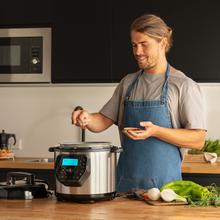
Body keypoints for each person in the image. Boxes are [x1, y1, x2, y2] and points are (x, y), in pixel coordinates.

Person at [72, 14, 206, 192]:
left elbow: (198, 139)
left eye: (144, 44)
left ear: (163, 43)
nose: (137, 52)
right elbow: (102, 121)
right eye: (134, 45)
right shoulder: (128, 83)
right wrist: (86, 118)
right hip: (124, 187)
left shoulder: (183, 85)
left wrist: (156, 131)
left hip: (164, 192)